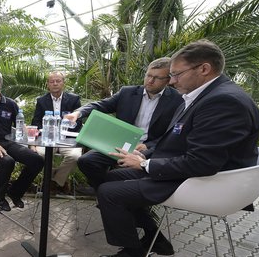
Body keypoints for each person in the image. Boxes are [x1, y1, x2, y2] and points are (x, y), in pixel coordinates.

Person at [96, 39, 259, 257]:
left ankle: (133, 255)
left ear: (204, 69)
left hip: (208, 183)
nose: (171, 82)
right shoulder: (208, 96)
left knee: (110, 193)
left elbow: (202, 163)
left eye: (176, 75)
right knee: (111, 178)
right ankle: (155, 239)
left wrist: (146, 164)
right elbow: (181, 141)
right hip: (192, 173)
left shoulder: (223, 101)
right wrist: (144, 155)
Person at [64, 57, 183, 192]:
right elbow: (100, 105)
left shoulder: (177, 100)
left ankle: (109, 192)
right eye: (148, 75)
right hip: (119, 144)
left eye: (157, 78)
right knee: (86, 161)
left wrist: (148, 146)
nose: (150, 81)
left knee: (122, 174)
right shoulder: (127, 92)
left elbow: (173, 133)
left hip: (149, 149)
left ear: (168, 80)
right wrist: (77, 113)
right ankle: (103, 190)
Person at [0, 70, 44, 212]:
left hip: (8, 142)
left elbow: (21, 125)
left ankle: (15, 192)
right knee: (7, 161)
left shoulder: (10, 104)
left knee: (37, 160)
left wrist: (31, 144)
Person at [31, 71, 82, 195]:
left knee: (75, 156)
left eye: (58, 81)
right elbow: (36, 122)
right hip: (48, 140)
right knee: (39, 155)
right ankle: (60, 181)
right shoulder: (42, 101)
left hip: (68, 139)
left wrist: (69, 126)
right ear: (48, 84)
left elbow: (79, 123)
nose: (55, 84)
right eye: (52, 81)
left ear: (63, 83)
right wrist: (34, 142)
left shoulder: (74, 99)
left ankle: (53, 181)